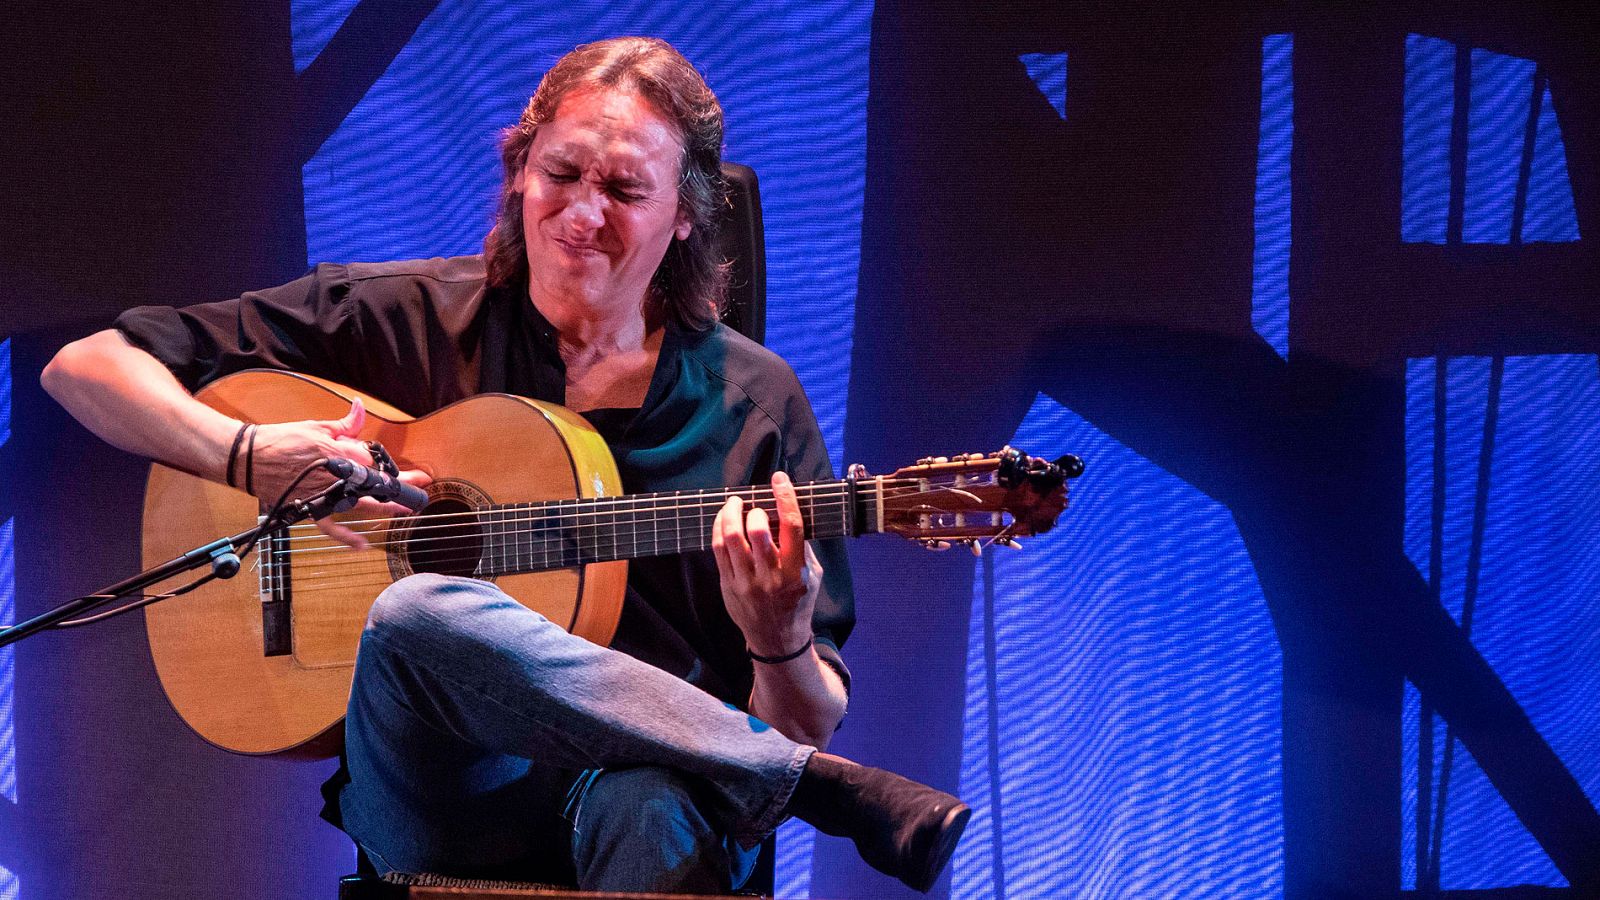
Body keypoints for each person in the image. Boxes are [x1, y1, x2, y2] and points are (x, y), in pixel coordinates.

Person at [42, 36, 969, 894]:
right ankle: (822, 788)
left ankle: (787, 776)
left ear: (687, 215)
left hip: (644, 789)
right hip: (441, 790)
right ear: (520, 169)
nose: (582, 214)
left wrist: (779, 638)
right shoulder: (403, 319)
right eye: (559, 173)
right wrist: (247, 455)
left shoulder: (753, 406)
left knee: (653, 807)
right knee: (415, 611)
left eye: (625, 190)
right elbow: (85, 366)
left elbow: (802, 716)